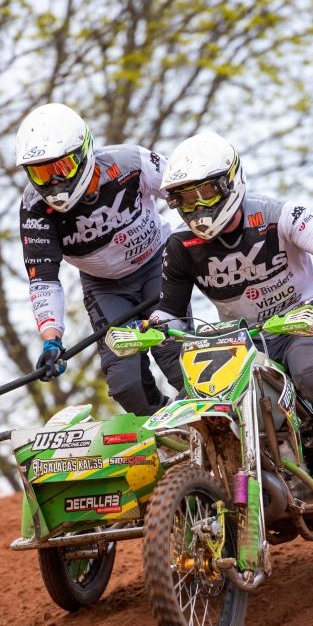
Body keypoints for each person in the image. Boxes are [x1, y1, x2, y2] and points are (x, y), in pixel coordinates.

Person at [148, 131, 313, 505]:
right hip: (240, 341)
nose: (197, 207)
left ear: (229, 182)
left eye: (205, 193)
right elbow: (172, 310)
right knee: (194, 405)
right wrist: (153, 326)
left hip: (300, 324)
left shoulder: (279, 215)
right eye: (185, 199)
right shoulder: (180, 245)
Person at [16, 102, 183, 415]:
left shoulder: (131, 162)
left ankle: (221, 422)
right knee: (126, 385)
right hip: (104, 288)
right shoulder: (34, 206)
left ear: (83, 153)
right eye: (41, 173)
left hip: (157, 266)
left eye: (60, 169)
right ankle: (168, 428)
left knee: (174, 356)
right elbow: (43, 280)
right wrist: (52, 340)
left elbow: (186, 189)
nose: (53, 183)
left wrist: (191, 249)